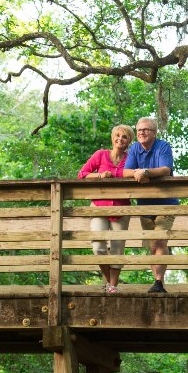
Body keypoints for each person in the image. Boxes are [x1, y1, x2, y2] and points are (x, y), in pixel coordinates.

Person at [77, 124, 134, 293]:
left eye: (124, 137)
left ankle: (113, 286)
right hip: (99, 206)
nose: (120, 139)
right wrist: (100, 175)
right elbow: (82, 174)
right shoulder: (100, 155)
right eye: (117, 135)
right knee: (98, 247)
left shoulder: (130, 159)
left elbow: (136, 173)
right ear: (112, 138)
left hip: (121, 208)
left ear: (129, 141)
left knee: (117, 248)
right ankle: (110, 282)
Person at [123, 117, 177, 293]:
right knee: (153, 245)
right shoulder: (135, 148)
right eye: (139, 130)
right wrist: (137, 172)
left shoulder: (163, 146)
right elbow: (125, 171)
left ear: (154, 133)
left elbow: (165, 170)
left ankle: (159, 282)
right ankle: (157, 282)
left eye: (145, 130)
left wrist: (145, 172)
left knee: (160, 240)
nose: (141, 133)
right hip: (144, 204)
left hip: (166, 203)